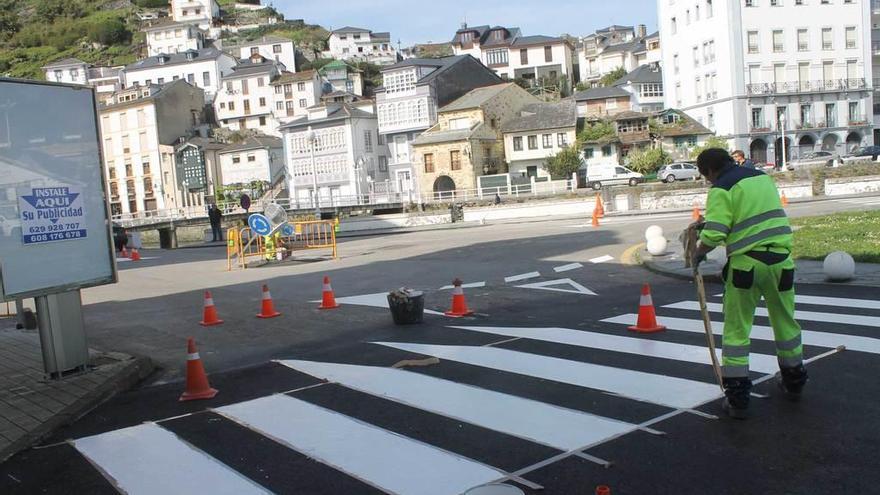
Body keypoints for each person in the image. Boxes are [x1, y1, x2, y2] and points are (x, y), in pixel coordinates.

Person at [691, 148, 807, 419]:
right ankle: (794, 381)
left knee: (737, 332)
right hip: (781, 263)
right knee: (786, 324)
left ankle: (738, 397)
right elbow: (750, 215)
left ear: (709, 171)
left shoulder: (721, 189)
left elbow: (717, 233)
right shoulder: (761, 178)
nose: (708, 181)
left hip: (746, 267)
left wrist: (698, 252)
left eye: (705, 177)